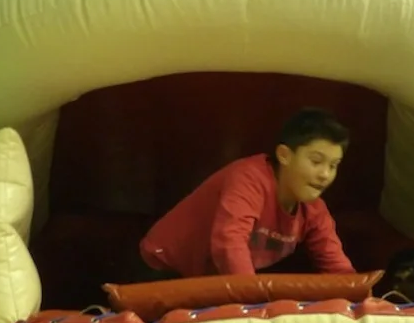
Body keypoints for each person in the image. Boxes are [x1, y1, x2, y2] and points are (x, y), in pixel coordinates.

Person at [137, 107, 357, 279]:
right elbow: (229, 243)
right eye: (316, 161)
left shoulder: (315, 210)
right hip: (162, 268)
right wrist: (254, 304)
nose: (325, 175)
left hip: (213, 281)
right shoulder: (249, 179)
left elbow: (339, 270)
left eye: (333, 165)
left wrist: (362, 302)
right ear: (284, 155)